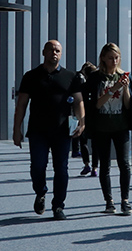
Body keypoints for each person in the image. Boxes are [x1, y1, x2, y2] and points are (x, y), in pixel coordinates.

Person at [13, 40, 86, 220]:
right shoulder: (31, 76)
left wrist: (82, 123)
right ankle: (41, 192)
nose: (55, 53)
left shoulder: (71, 76)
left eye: (58, 51)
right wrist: (17, 129)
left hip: (62, 131)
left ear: (61, 54)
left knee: (61, 168)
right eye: (51, 50)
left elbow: (79, 101)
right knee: (38, 167)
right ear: (43, 52)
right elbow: (21, 104)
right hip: (38, 131)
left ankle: (58, 206)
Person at [84, 42, 132, 216]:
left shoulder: (125, 76)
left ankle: (125, 200)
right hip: (101, 127)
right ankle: (109, 201)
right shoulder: (96, 78)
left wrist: (125, 89)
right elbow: (96, 105)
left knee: (124, 163)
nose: (114, 61)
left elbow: (129, 105)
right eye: (110, 58)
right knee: (105, 165)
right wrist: (113, 89)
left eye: (117, 58)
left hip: (121, 126)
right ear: (103, 59)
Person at [72, 61, 98, 177]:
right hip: (96, 117)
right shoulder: (97, 88)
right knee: (96, 143)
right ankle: (95, 168)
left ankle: (87, 164)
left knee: (83, 142)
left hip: (83, 117)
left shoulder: (81, 88)